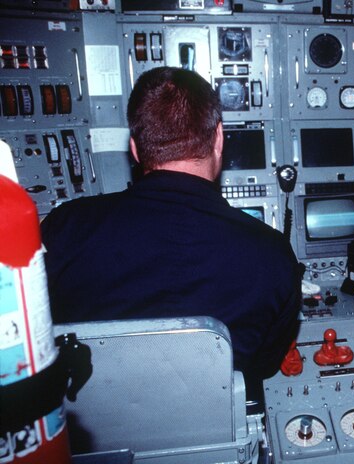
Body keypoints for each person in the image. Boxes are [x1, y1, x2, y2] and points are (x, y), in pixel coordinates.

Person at [41, 67, 302, 395]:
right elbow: (263, 366)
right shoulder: (273, 253)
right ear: (219, 138)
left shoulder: (63, 228)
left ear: (135, 149)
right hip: (219, 436)